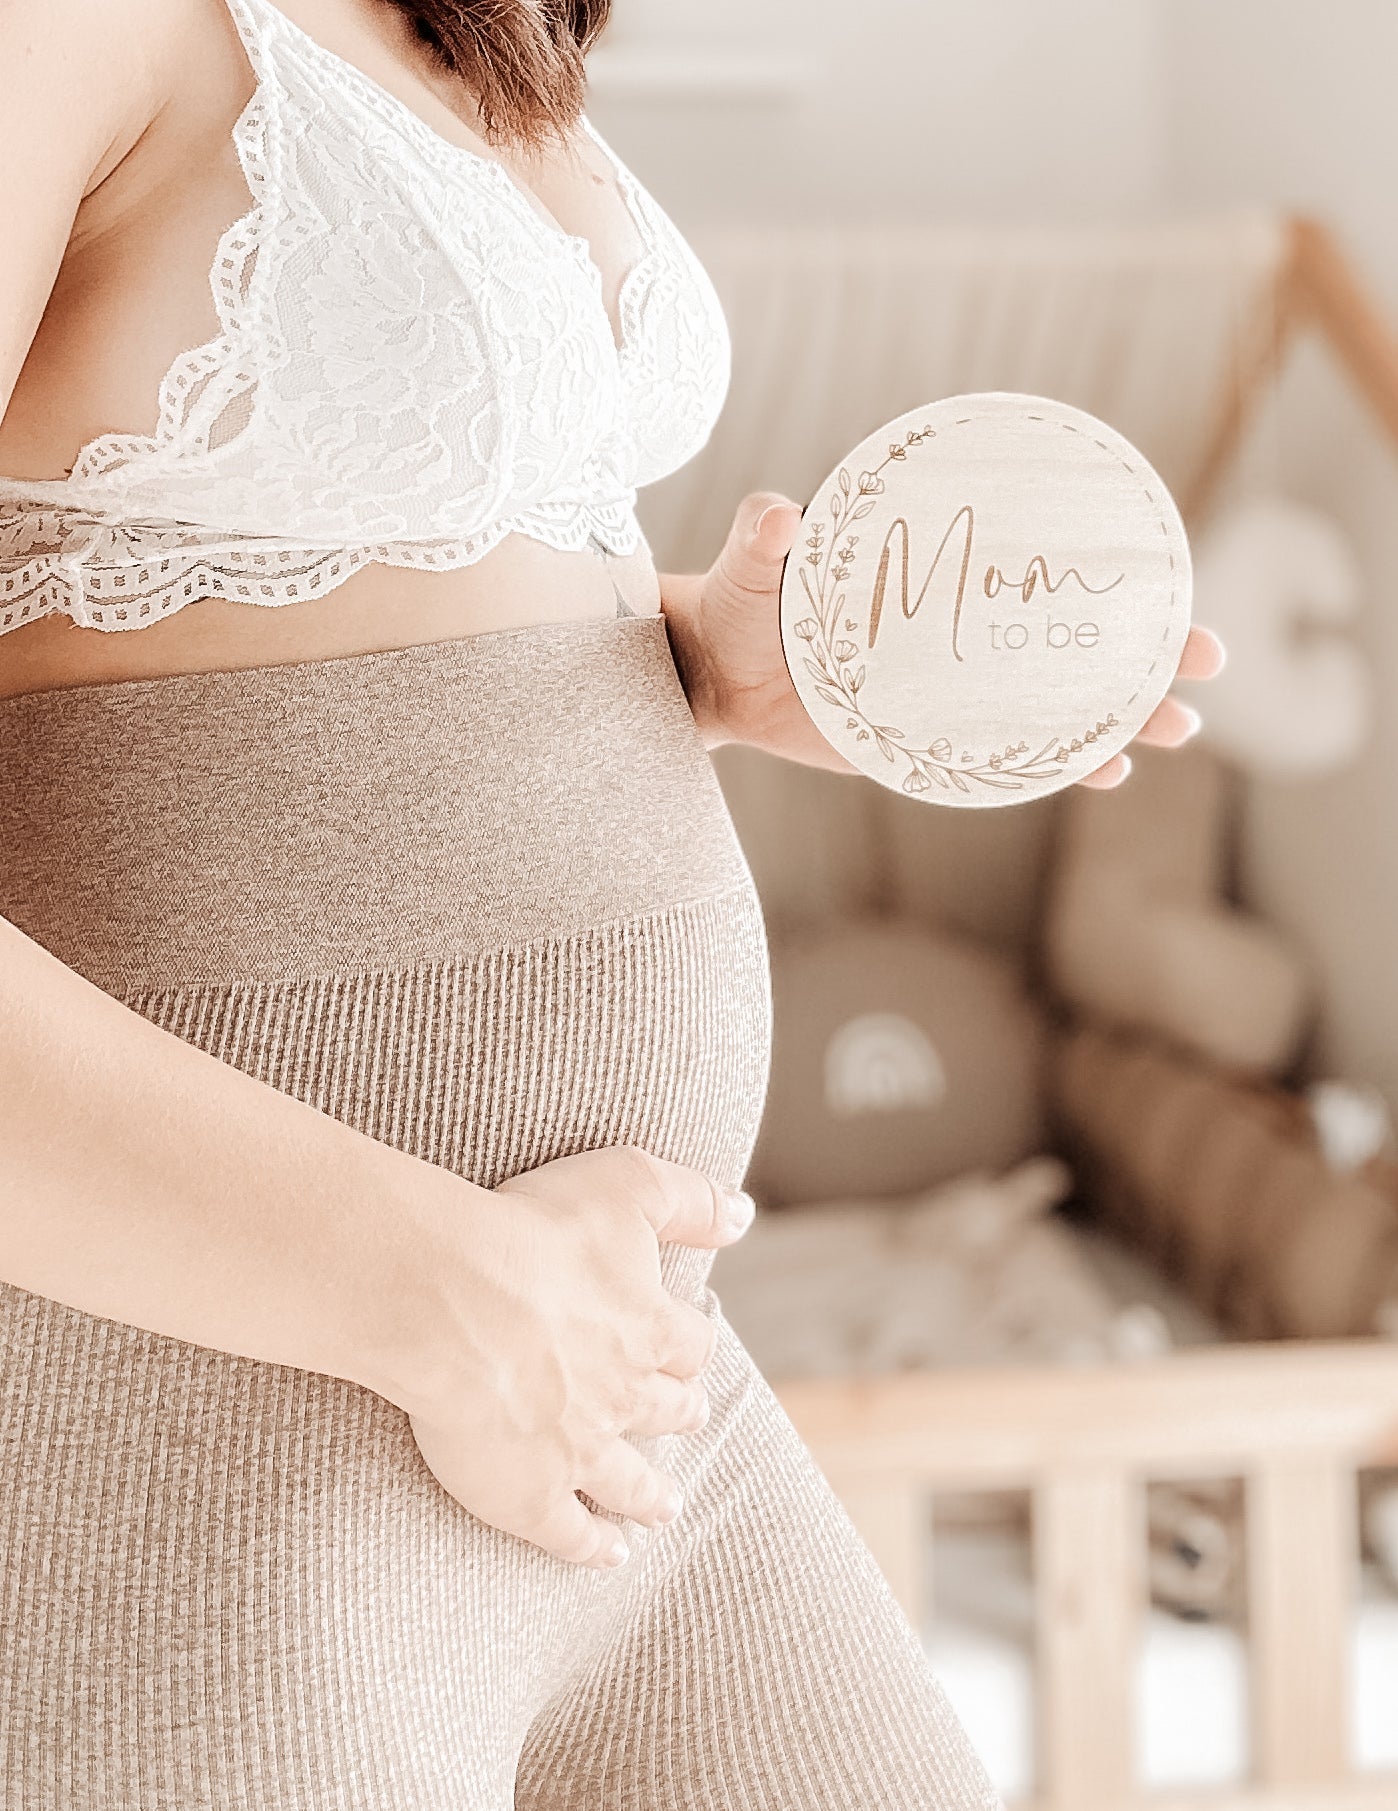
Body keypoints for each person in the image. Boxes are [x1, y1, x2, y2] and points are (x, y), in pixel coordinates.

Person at [0, 1, 1224, 1805]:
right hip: (218, 1411)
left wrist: (666, 664)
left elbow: (272, 601)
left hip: (629, 1385)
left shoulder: (452, 25)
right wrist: (421, 1289)